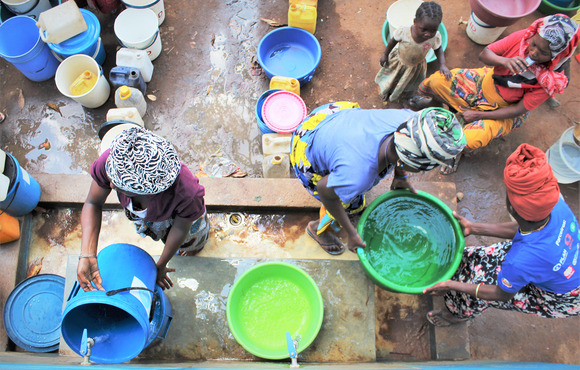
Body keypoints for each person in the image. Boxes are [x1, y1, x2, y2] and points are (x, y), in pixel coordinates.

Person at [423, 143, 580, 326]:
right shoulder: (552, 204)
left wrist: (451, 285)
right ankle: (460, 287)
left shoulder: (521, 260)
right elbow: (526, 230)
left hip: (562, 297)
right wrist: (474, 227)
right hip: (553, 262)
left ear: (512, 207)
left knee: (471, 291)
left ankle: (458, 313)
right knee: (476, 259)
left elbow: (501, 294)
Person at [409, 15, 580, 174]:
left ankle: (456, 153)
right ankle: (435, 102)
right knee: (437, 81)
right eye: (534, 44)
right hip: (483, 83)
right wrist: (504, 61)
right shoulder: (524, 38)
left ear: (557, 56)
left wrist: (479, 115)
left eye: (543, 53)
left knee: (469, 139)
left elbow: (518, 110)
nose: (533, 52)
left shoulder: (551, 80)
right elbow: (485, 54)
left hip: (504, 110)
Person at [290, 102, 466, 254]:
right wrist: (352, 234)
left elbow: (402, 150)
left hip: (331, 118)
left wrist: (401, 175)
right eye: (421, 169)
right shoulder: (357, 176)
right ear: (408, 160)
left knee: (351, 191)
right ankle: (317, 229)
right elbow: (325, 190)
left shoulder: (411, 121)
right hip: (306, 147)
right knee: (347, 204)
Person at [77, 127, 209, 291]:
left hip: (184, 221)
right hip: (154, 218)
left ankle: (190, 250)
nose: (110, 185)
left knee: (190, 242)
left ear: (148, 192)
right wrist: (87, 253)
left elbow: (181, 228)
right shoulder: (115, 160)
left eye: (120, 186)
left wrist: (161, 264)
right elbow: (92, 203)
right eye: (112, 177)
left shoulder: (187, 194)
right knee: (158, 233)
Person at [375, 1, 451, 103]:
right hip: (399, 61)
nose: (428, 34)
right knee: (392, 77)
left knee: (408, 81)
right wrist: (385, 54)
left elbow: (438, 49)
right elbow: (392, 42)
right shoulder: (404, 32)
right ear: (415, 22)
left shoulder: (435, 37)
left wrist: (443, 64)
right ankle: (386, 91)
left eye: (433, 30)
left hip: (416, 66)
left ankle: (404, 93)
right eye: (424, 29)